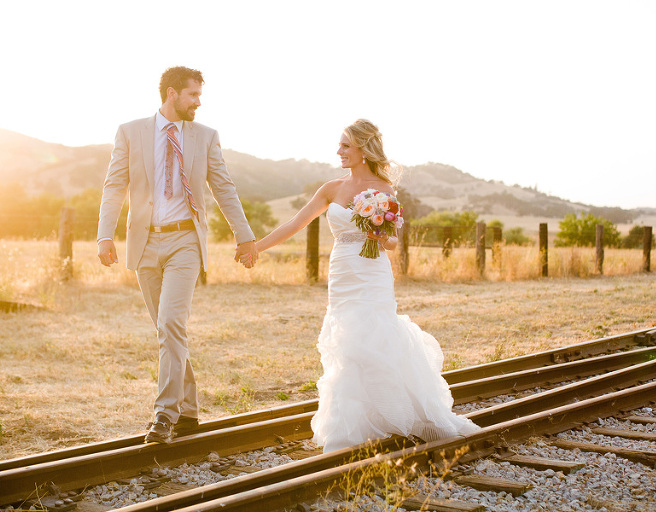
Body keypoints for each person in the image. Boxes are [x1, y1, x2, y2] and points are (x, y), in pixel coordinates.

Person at [253, 119, 479, 452]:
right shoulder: (330, 188)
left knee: (374, 336)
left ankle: (395, 414)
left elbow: (391, 243)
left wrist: (379, 234)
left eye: (345, 145)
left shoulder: (384, 189)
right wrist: (257, 247)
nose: (339, 151)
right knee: (347, 341)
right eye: (340, 145)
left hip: (372, 272)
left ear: (363, 148)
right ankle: (354, 423)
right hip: (342, 270)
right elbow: (295, 223)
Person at [97, 66, 258, 444]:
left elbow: (224, 187)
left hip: (186, 241)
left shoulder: (205, 137)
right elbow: (114, 185)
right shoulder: (130, 132)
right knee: (166, 329)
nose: (198, 103)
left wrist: (245, 236)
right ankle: (189, 408)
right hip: (146, 242)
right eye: (193, 95)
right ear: (172, 94)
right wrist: (105, 234)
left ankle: (164, 415)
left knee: (171, 324)